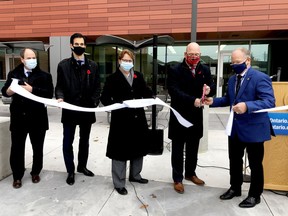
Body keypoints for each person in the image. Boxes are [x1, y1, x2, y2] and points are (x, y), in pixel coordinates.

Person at [204, 47, 275, 208]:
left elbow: (269, 101)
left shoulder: (260, 78)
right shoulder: (232, 79)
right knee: (234, 160)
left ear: (247, 61)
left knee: (255, 163)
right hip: (235, 128)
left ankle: (254, 195)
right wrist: (212, 101)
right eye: (233, 62)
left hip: (254, 129)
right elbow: (229, 99)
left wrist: (247, 106)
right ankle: (235, 188)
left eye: (238, 62)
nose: (234, 65)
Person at [100, 49, 153, 195]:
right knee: (119, 152)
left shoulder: (138, 76)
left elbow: (145, 91)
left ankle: (135, 176)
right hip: (121, 122)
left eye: (130, 61)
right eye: (125, 60)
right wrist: (116, 103)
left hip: (138, 120)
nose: (127, 63)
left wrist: (153, 97)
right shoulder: (112, 78)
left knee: (138, 149)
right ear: (119, 61)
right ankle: (119, 183)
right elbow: (104, 98)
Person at [1, 48, 54, 189]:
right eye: (29, 58)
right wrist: (9, 91)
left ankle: (35, 172)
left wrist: (32, 90)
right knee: (17, 149)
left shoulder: (45, 75)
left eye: (34, 57)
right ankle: (17, 176)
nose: (32, 60)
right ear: (22, 60)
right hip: (19, 118)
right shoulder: (13, 74)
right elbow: (5, 92)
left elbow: (49, 95)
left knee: (38, 148)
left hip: (38, 118)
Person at [167, 42, 215, 194]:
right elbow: (173, 91)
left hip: (196, 116)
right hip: (179, 115)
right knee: (177, 148)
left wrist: (209, 90)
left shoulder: (204, 69)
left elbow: (211, 86)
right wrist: (191, 100)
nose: (194, 57)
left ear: (200, 55)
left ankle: (190, 173)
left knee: (193, 147)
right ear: (185, 54)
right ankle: (177, 178)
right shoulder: (175, 70)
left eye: (197, 54)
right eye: (191, 54)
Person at [55, 33, 101, 185]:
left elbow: (96, 87)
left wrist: (94, 102)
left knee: (85, 141)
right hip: (69, 110)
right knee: (68, 141)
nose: (79, 47)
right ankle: (70, 170)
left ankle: (82, 166)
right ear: (71, 45)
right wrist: (60, 96)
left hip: (86, 111)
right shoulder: (63, 65)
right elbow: (59, 86)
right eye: (77, 44)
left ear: (85, 46)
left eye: (82, 44)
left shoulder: (93, 66)